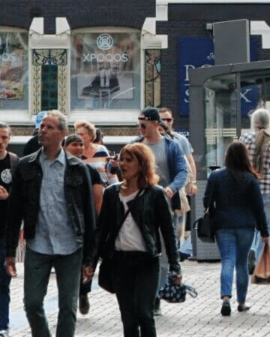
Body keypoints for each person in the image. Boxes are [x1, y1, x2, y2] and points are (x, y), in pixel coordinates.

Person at [4, 109, 97, 337]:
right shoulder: (27, 165)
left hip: (70, 246)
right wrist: (9, 252)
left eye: (49, 127)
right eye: (42, 126)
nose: (42, 131)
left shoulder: (78, 167)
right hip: (38, 244)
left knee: (68, 305)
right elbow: (15, 211)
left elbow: (88, 213)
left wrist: (90, 257)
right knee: (33, 303)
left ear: (63, 133)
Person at [95, 143, 181, 337]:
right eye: (122, 160)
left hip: (146, 262)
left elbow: (168, 232)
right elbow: (102, 230)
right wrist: (90, 262)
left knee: (144, 313)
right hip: (119, 262)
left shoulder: (155, 194)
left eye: (129, 160)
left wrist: (175, 265)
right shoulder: (112, 194)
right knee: (128, 317)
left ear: (142, 165)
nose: (123, 164)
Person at [127, 108, 188, 313]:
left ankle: (156, 296)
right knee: (141, 248)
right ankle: (142, 292)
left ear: (155, 123)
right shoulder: (135, 146)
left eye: (143, 123)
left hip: (164, 206)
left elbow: (182, 170)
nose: (140, 127)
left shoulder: (172, 146)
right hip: (140, 206)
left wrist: (172, 188)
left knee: (162, 252)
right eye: (138, 123)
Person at [203, 141, 269, 315]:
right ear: (245, 157)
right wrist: (264, 231)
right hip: (246, 225)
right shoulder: (250, 179)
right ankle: (241, 302)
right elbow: (258, 207)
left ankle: (225, 298)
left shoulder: (216, 176)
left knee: (227, 260)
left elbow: (206, 201)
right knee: (241, 263)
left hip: (223, 225)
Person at [62, 135, 104, 317]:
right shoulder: (58, 169)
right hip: (65, 223)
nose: (78, 147)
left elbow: (97, 198)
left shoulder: (90, 171)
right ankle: (70, 298)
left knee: (87, 260)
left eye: (80, 144)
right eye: (74, 144)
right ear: (64, 147)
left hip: (86, 222)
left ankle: (83, 292)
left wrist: (99, 221)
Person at [239, 109, 270, 266]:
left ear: (253, 122)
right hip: (267, 190)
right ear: (268, 123)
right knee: (265, 225)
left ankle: (249, 250)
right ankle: (258, 259)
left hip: (246, 190)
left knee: (250, 223)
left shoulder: (244, 138)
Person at [157, 110, 196, 253]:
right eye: (162, 119)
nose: (165, 122)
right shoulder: (143, 143)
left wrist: (191, 182)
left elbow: (187, 166)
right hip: (154, 192)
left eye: (168, 119)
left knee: (175, 225)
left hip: (173, 192)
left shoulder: (178, 142)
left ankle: (172, 256)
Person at [0, 122, 19, 337]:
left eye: (4, 137)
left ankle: (3, 325)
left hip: (5, 232)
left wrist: (8, 196)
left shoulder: (15, 163)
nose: (0, 141)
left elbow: (23, 196)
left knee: (2, 281)